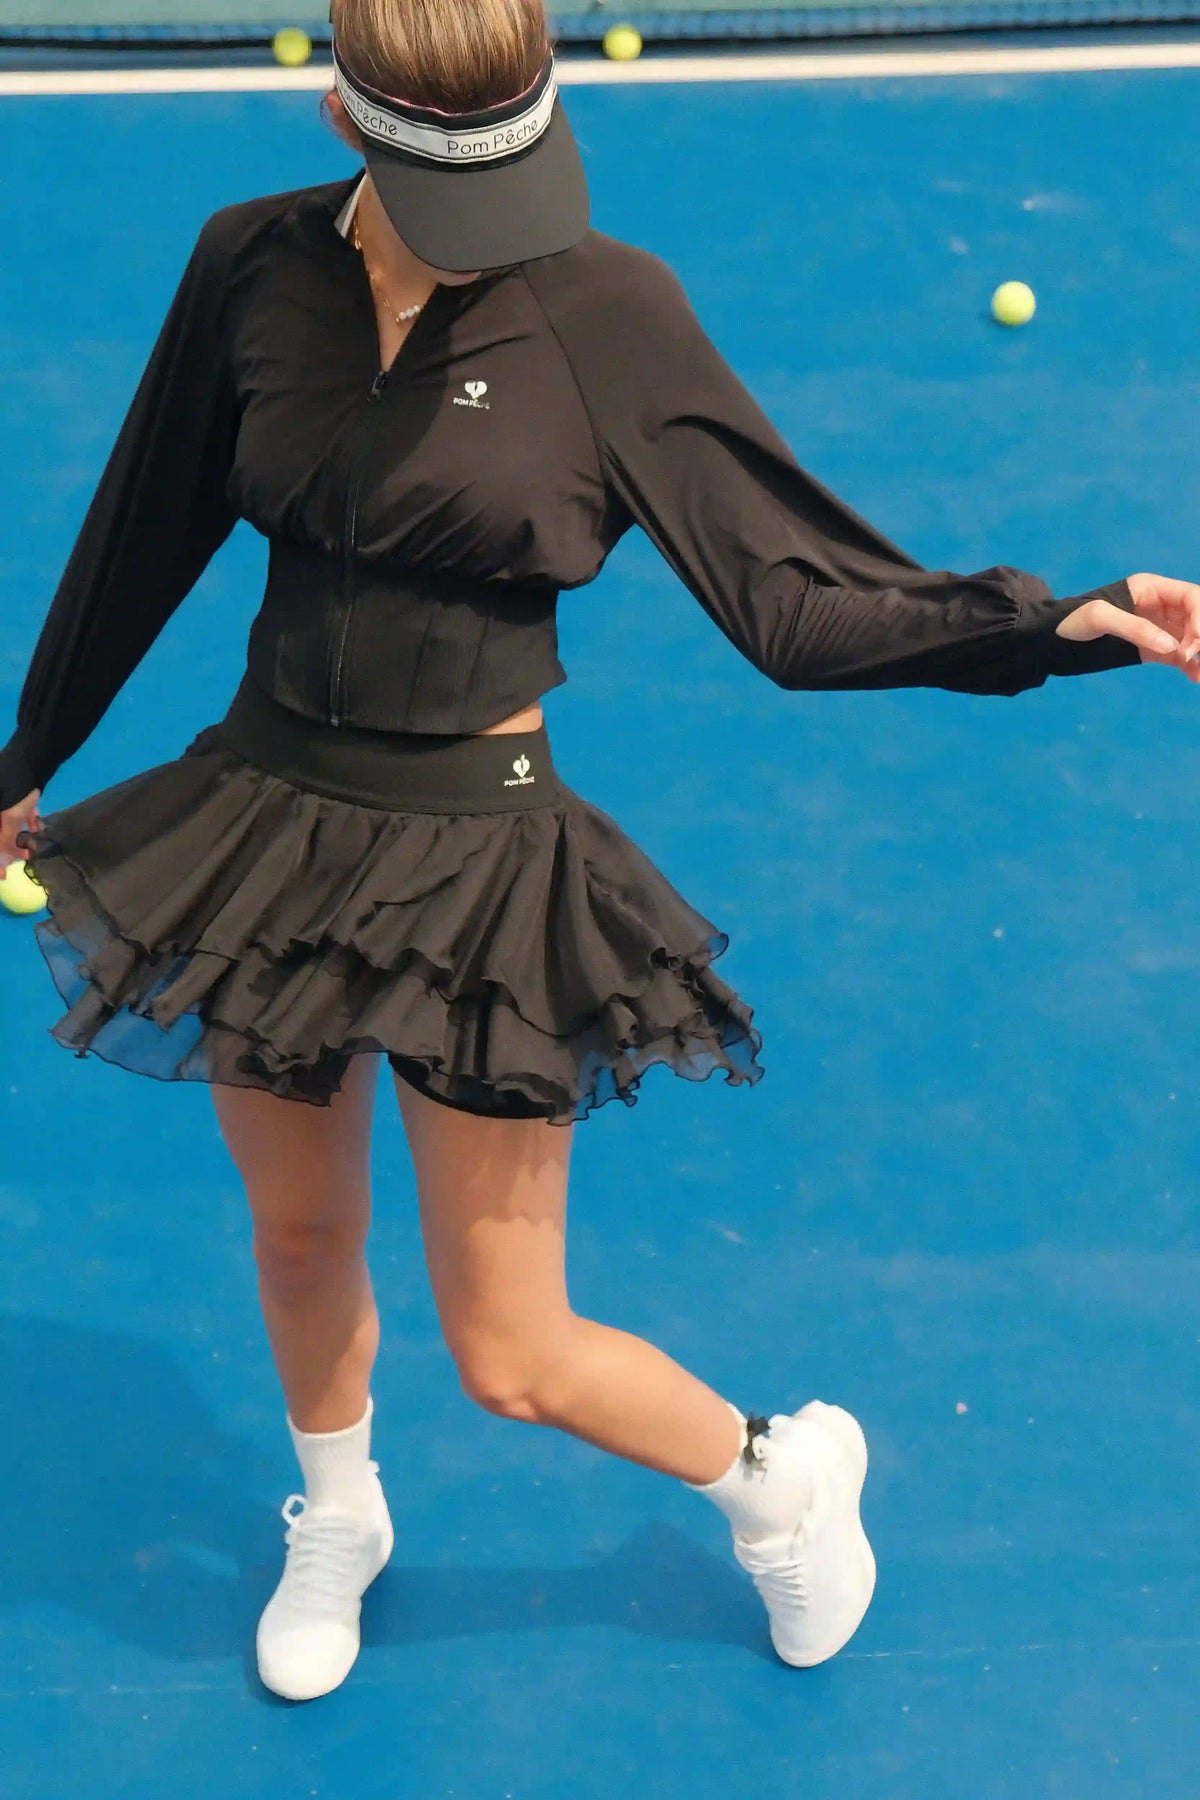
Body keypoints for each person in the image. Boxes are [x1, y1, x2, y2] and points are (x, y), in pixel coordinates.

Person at [2, 0, 1198, 1706]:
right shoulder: (249, 265)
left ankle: (777, 1476)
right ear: (353, 117)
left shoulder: (606, 309)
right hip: (260, 819)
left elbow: (796, 601)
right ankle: (338, 1511)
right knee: (294, 1240)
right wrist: (24, 755)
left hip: (477, 873)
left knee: (511, 1354)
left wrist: (1061, 622)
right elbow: (144, 523)